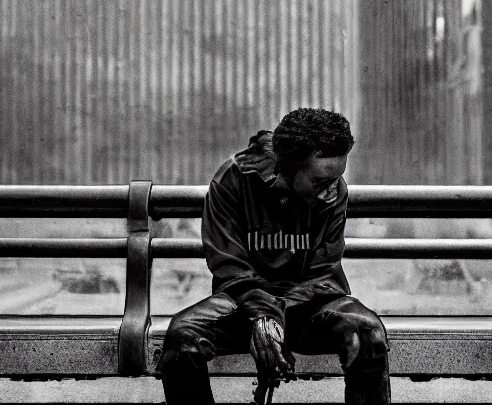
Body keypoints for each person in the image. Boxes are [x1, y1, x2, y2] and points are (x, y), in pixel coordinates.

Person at [158, 107, 391, 404]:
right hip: (243, 304)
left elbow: (323, 271)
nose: (331, 192)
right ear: (287, 167)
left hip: (310, 304)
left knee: (368, 331)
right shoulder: (232, 180)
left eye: (337, 179)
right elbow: (229, 267)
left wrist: (271, 317)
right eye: (319, 182)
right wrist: (262, 315)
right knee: (182, 336)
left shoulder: (333, 190)